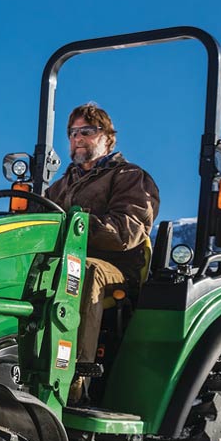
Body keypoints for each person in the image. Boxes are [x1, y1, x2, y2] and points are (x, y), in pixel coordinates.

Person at [45, 103, 159, 403]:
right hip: (65, 260)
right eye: (72, 133)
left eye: (87, 131)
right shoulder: (60, 185)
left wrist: (78, 227)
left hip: (115, 266)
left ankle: (72, 382)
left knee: (81, 272)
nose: (77, 138)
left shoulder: (131, 177)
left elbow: (128, 231)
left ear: (108, 138)